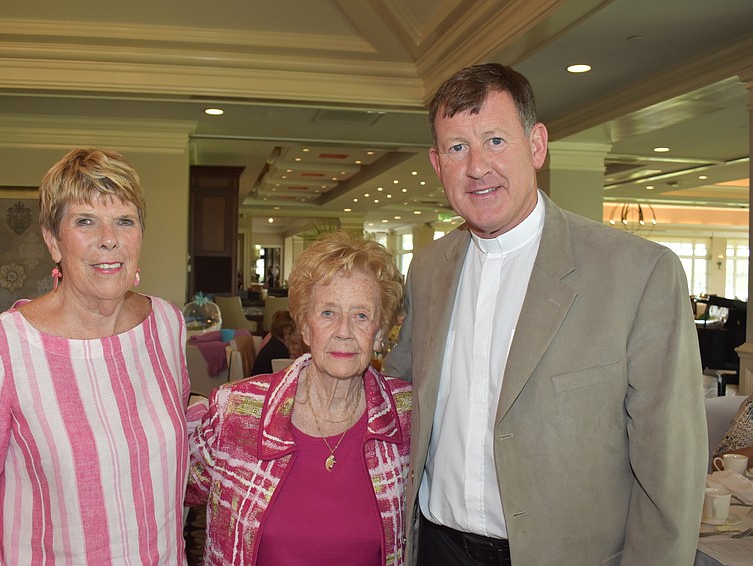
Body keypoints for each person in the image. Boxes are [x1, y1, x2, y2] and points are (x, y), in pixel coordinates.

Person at [383, 63, 707, 565]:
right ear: (436, 162)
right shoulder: (427, 268)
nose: (476, 167)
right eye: (456, 147)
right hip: (437, 547)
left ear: (536, 145)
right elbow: (399, 397)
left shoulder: (638, 274)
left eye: (495, 140)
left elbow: (671, 469)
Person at [0, 148, 190, 564]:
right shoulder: (2, 348)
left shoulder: (166, 325)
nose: (109, 238)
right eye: (85, 221)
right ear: (52, 240)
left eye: (124, 221)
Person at [186, 230, 411, 566]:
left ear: (379, 333)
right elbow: (164, 491)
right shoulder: (237, 411)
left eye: (361, 315)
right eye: (328, 313)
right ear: (305, 327)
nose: (344, 331)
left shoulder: (406, 415)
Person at [250, 310, 303, 376]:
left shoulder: (275, 345)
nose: (302, 332)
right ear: (287, 332)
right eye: (299, 329)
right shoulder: (279, 351)